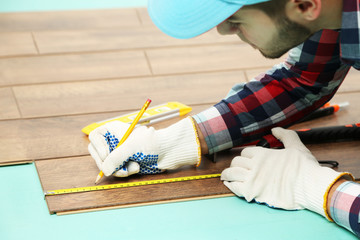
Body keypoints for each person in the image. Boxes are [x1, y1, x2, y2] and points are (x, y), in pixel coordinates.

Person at [88, 0, 360, 236]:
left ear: (304, 5)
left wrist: (320, 189)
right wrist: (181, 140)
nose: (222, 29)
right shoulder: (328, 10)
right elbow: (303, 80)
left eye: (235, 19)